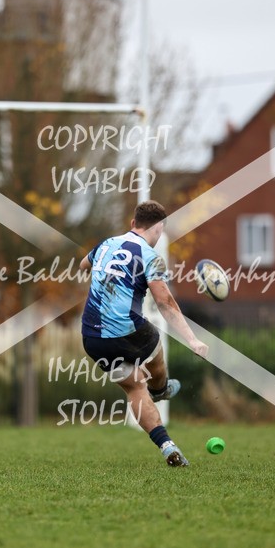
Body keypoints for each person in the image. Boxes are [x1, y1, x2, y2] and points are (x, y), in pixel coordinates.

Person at [79, 200, 209, 467]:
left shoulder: (106, 244)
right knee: (154, 346)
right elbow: (165, 303)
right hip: (128, 332)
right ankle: (161, 389)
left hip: (92, 338)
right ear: (159, 229)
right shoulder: (150, 258)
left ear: (132, 223)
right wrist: (192, 339)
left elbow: (83, 265)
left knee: (135, 386)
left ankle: (167, 446)